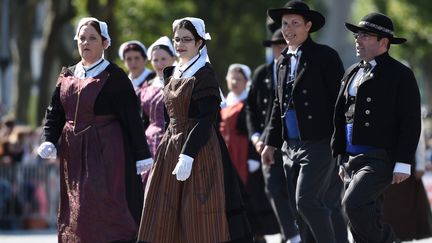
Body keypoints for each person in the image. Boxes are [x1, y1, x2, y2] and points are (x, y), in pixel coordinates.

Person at [37, 17, 153, 242]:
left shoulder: (115, 77)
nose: (86, 42)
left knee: (101, 203)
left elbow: (132, 118)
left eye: (92, 38)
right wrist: (49, 139)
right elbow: (55, 112)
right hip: (73, 152)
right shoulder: (67, 75)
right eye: (82, 38)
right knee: (75, 205)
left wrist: (141, 155)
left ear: (104, 43)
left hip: (106, 152)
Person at [137, 17, 252, 243]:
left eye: (187, 40)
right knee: (165, 210)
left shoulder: (204, 73)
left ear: (199, 42)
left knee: (199, 212)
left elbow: (206, 118)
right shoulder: (172, 72)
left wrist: (188, 154)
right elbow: (170, 116)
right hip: (171, 145)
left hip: (200, 149)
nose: (180, 44)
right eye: (177, 39)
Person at [331, 13, 421, 242]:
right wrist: (341, 156)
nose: (358, 39)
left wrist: (403, 161)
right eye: (357, 34)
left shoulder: (401, 74)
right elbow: (341, 117)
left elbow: (410, 121)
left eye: (366, 35)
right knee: (362, 213)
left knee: (352, 204)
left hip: (381, 156)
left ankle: (389, 240)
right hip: (352, 157)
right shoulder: (352, 71)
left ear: (384, 42)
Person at [260, 1, 345, 242]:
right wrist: (271, 143)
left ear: (308, 26)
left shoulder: (325, 56)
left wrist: (340, 144)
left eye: (295, 23)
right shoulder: (281, 62)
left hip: (319, 142)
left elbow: (340, 103)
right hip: (290, 146)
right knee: (299, 211)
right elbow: (279, 106)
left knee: (307, 202)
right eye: (285, 24)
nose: (288, 29)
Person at [246, 28, 301, 243]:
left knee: (298, 190)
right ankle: (292, 236)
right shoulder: (262, 73)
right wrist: (256, 136)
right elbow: (250, 108)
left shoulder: (296, 71)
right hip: (266, 144)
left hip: (291, 142)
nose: (280, 49)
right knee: (273, 188)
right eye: (276, 46)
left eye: (283, 45)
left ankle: (303, 231)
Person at [220, 63, 280, 243]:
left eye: (239, 79)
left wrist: (254, 157)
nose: (235, 82)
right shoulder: (224, 102)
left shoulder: (248, 101)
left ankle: (257, 235)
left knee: (251, 196)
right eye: (232, 78)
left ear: (246, 82)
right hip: (228, 153)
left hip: (245, 154)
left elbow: (255, 128)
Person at [383, 123, 432, 241]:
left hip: (406, 165)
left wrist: (420, 165)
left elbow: (417, 134)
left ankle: (403, 237)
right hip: (384, 164)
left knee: (405, 207)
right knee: (386, 208)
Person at [140, 36, 176, 158]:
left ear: (173, 58)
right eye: (155, 60)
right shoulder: (147, 85)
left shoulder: (179, 82)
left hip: (173, 140)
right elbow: (143, 119)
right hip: (149, 142)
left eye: (163, 59)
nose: (159, 64)